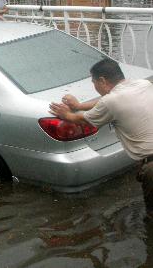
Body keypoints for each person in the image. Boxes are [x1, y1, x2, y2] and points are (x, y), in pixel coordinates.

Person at [49, 59, 153, 216]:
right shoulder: (143, 85)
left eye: (93, 82)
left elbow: (84, 120)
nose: (94, 87)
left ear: (102, 80)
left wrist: (67, 114)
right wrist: (78, 106)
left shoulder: (111, 101)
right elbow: (110, 100)